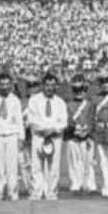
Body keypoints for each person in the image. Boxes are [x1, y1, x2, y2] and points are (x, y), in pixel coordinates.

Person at [0, 71, 24, 201]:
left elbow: (19, 120)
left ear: (11, 85)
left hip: (12, 135)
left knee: (12, 167)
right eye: (2, 84)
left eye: (7, 84)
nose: (5, 87)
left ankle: (13, 193)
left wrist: (21, 137)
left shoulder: (15, 100)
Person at [28, 72, 67, 200]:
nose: (50, 88)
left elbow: (64, 122)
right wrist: (44, 130)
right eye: (47, 85)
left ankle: (51, 192)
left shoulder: (60, 102)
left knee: (54, 166)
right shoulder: (34, 100)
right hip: (39, 136)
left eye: (53, 85)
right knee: (36, 165)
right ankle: (37, 192)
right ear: (43, 85)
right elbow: (32, 119)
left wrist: (53, 130)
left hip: (55, 137)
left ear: (56, 87)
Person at [64, 74, 97, 194]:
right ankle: (75, 184)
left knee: (88, 162)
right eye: (76, 90)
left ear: (86, 90)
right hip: (73, 137)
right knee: (74, 161)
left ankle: (90, 184)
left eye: (82, 89)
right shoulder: (68, 105)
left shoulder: (90, 104)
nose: (79, 92)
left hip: (87, 137)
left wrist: (87, 132)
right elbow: (66, 120)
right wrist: (74, 129)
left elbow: (92, 120)